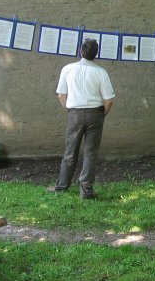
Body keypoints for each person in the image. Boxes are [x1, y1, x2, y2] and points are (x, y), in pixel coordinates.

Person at [47, 39, 115, 199]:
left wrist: (70, 110)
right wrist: (102, 114)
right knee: (90, 153)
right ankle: (86, 191)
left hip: (74, 114)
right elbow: (109, 100)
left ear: (80, 51)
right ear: (96, 54)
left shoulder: (68, 69)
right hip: (96, 114)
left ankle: (62, 186)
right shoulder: (101, 72)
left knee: (70, 152)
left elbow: (61, 95)